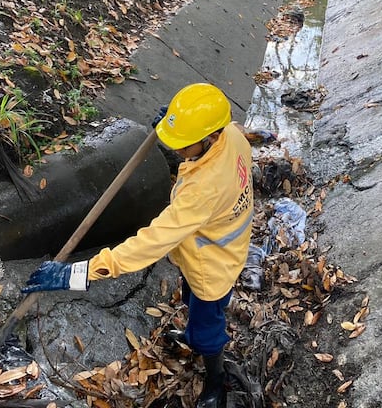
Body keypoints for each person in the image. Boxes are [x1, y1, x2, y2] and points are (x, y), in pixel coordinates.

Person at [22, 83, 254, 408]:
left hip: (213, 268)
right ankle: (191, 337)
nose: (175, 151)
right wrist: (172, 126)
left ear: (210, 138)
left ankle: (216, 380)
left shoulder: (204, 191)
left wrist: (81, 272)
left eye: (182, 145)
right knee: (191, 300)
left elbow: (149, 244)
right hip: (216, 246)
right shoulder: (232, 135)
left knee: (207, 326)